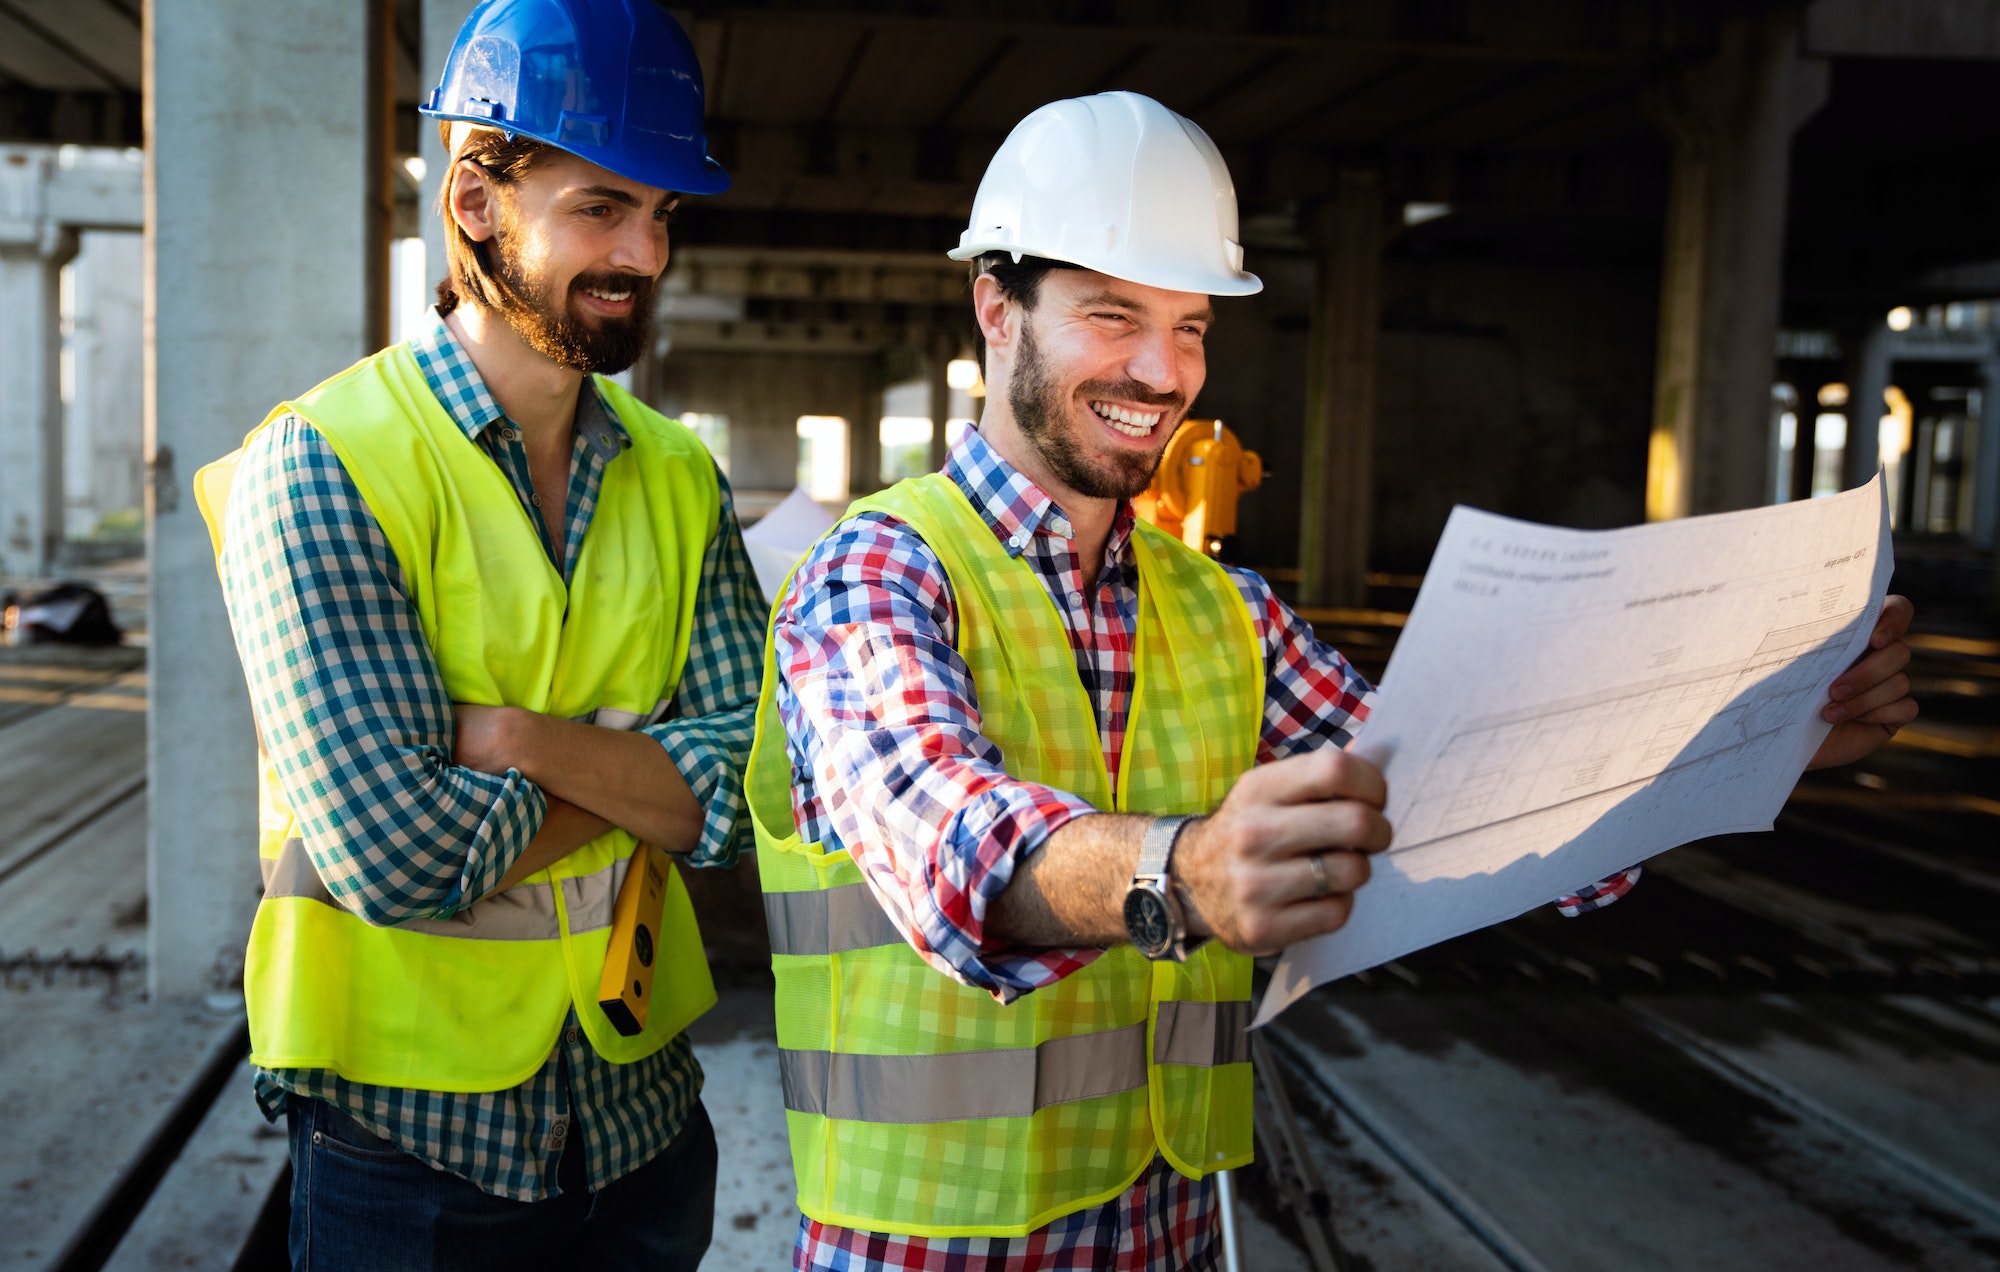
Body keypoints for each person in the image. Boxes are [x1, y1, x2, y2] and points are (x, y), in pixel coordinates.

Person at [748, 91, 1919, 1270]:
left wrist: (1760, 731)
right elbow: (947, 844)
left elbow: (1461, 797)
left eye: (1191, 326)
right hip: (927, 1250)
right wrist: (1183, 874)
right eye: (1112, 316)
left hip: (1168, 1238)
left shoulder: (1225, 613)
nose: (1162, 373)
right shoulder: (876, 572)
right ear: (996, 310)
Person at [192, 2, 763, 1266]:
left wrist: (511, 741)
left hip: (642, 1125)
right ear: (474, 205)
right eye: (602, 206)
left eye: (663, 214)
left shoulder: (678, 475)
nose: (644, 254)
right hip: (410, 1150)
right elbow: (394, 855)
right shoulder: (326, 462)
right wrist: (637, 777)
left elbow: (746, 786)